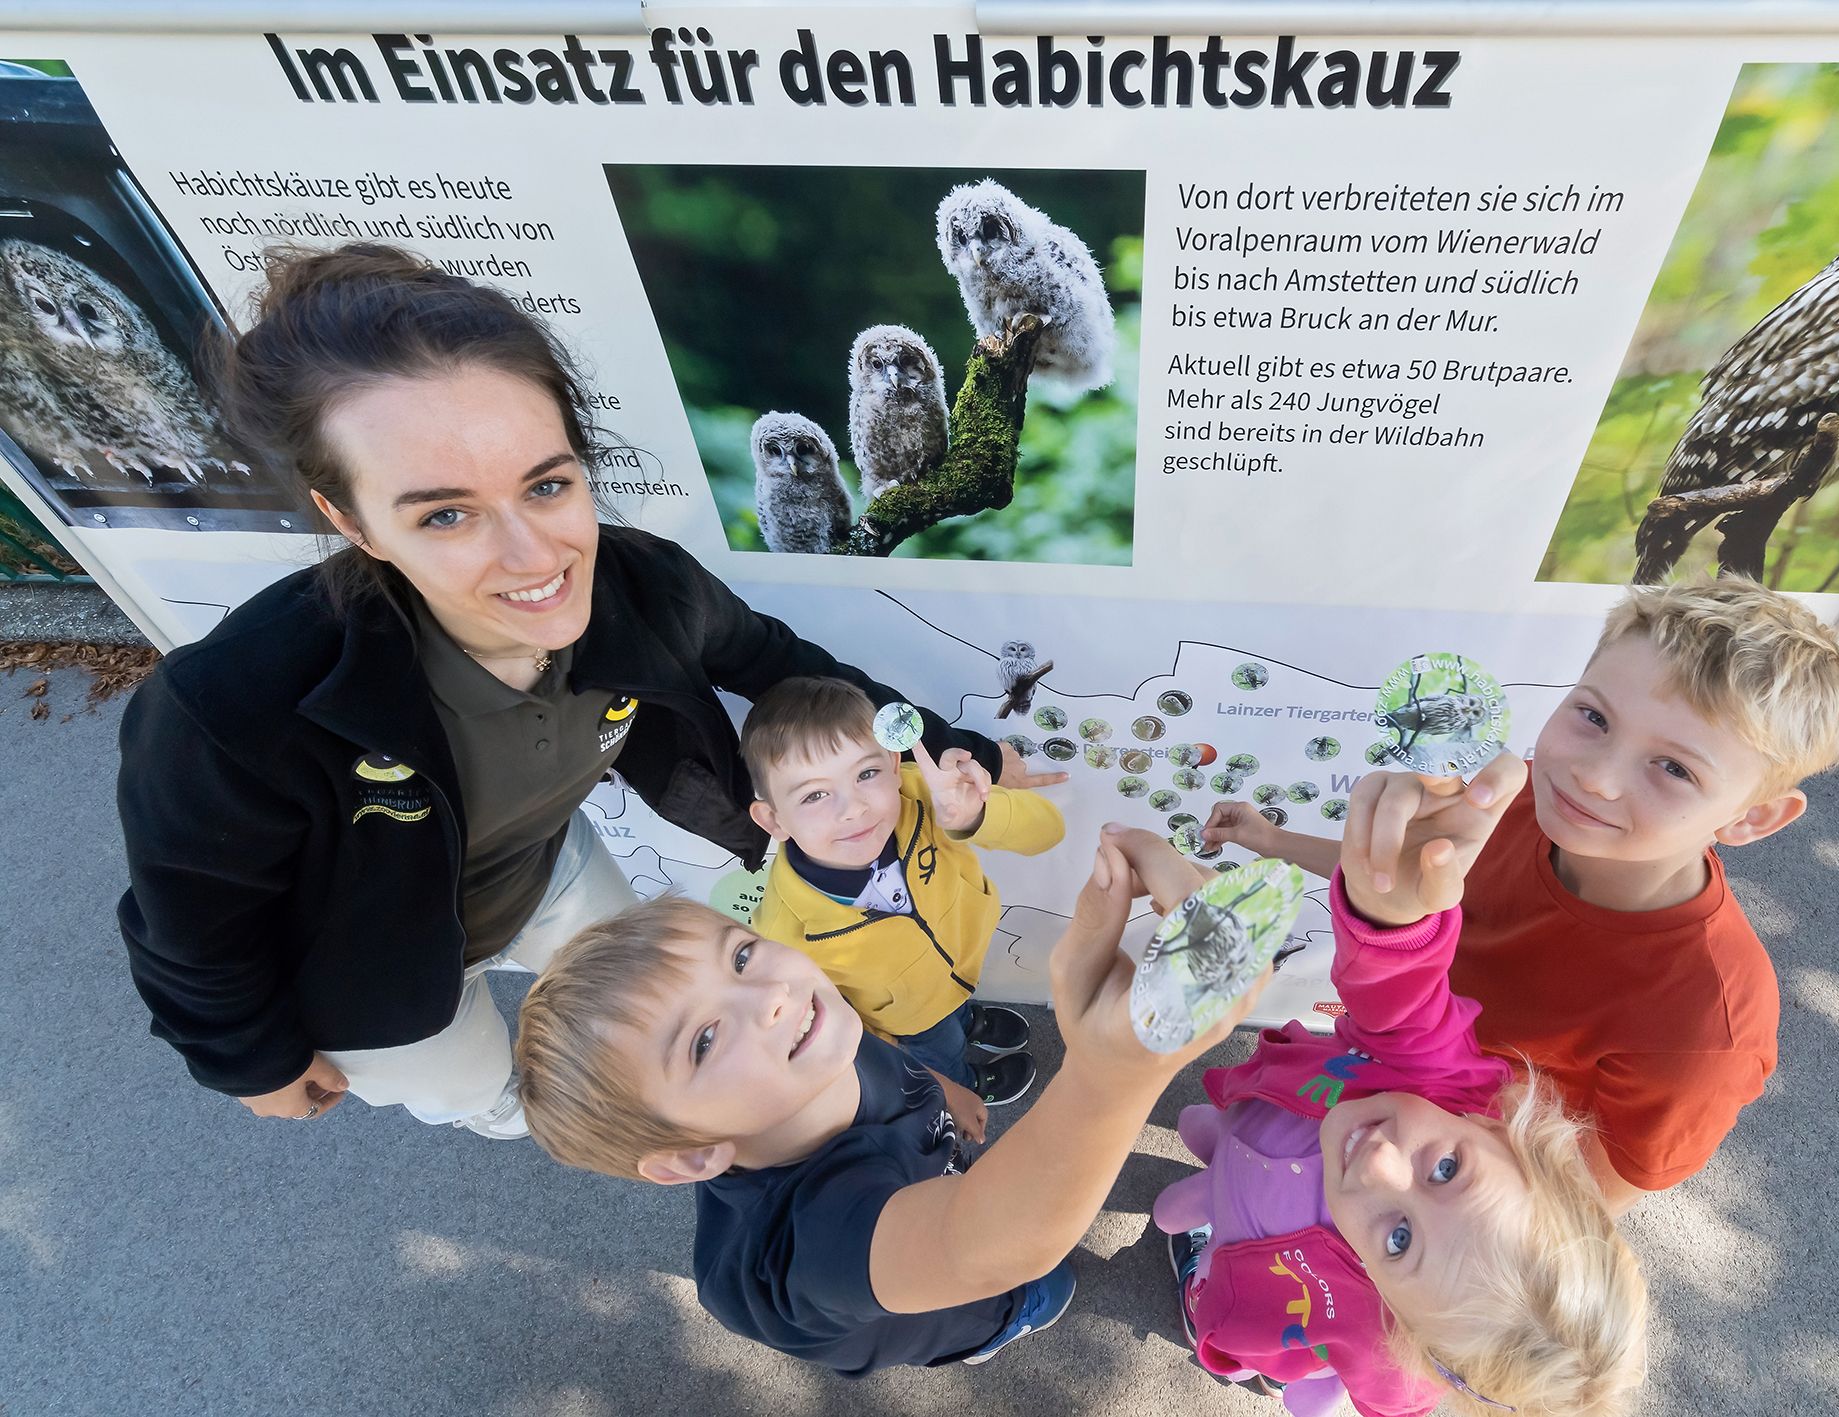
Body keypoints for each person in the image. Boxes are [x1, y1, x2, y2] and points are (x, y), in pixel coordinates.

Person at [114, 243, 1057, 1138]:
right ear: (348, 519)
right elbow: (191, 926)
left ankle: (749, 1119)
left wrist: (940, 743)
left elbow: (778, 658)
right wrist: (250, 1061)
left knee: (672, 1035)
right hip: (371, 970)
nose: (535, 559)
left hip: (547, 868)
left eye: (548, 485)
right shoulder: (230, 708)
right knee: (510, 1095)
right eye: (446, 514)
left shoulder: (642, 589)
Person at [1204, 576, 1839, 1209]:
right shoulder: (1520, 803)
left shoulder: (1706, 1024)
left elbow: (1596, 1199)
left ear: (1752, 817)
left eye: (1674, 767)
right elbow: (1399, 877)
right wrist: (1273, 840)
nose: (1593, 775)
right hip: (1386, 1070)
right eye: (1594, 716)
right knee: (1246, 1156)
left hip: (1454, 1187)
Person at [510, 830, 1270, 1374]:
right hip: (947, 1298)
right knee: (1028, 1285)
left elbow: (883, 1056)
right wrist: (1118, 1067)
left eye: (739, 954)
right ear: (696, 1154)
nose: (770, 995)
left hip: (950, 1191)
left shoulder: (813, 1042)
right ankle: (1016, 1319)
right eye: (704, 1040)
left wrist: (940, 1085)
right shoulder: (800, 1251)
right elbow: (977, 1246)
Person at [1156, 765, 1647, 1417]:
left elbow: (1384, 1391)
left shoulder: (1390, 1343)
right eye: (1447, 1168)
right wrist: (1391, 918)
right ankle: (1214, 1172)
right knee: (1199, 1160)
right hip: (1265, 1121)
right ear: (1504, 1134)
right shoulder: (1446, 1084)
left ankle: (1200, 1271)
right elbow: (1406, 996)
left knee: (1195, 1251)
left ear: (1401, 1324)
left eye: (1398, 1241)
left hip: (1260, 1270)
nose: (1379, 1162)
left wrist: (1230, 1327)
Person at [741, 677, 1064, 1105]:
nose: (854, 808)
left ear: (895, 766)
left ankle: (971, 1020)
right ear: (773, 821)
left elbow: (1049, 832)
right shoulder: (784, 932)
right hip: (913, 1019)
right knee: (942, 1051)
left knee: (959, 1008)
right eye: (815, 794)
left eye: (867, 773)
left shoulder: (930, 795)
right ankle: (967, 1085)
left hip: (965, 959)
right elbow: (831, 1015)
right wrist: (896, 1054)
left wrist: (977, 813)